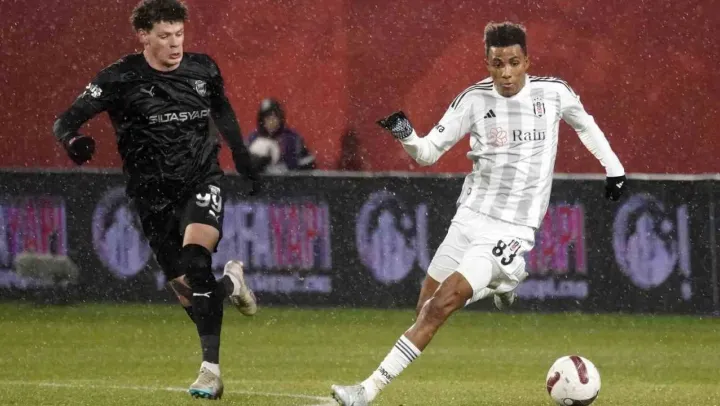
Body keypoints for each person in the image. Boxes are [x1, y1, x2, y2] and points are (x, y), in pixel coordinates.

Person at [331, 21, 627, 405]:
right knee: (424, 308)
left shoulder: (553, 93)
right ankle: (503, 281)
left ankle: (365, 391)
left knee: (441, 306)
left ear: (527, 62)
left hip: (511, 229)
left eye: (514, 63)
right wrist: (407, 135)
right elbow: (428, 153)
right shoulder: (473, 101)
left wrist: (614, 169)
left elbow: (586, 126)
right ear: (487, 64)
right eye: (497, 64)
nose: (506, 73)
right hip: (470, 217)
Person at [51, 0, 261, 399]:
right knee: (190, 292)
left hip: (201, 179)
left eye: (179, 34)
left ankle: (210, 372)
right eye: (164, 36)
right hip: (151, 195)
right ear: (143, 36)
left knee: (197, 262)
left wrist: (242, 156)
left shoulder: (203, 69)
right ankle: (231, 284)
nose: (175, 43)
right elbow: (65, 120)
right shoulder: (119, 77)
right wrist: (72, 140)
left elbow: (223, 110)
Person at [247, 98, 316, 173]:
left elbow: (307, 167)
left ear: (280, 119)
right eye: (268, 117)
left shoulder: (291, 138)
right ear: (261, 120)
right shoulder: (253, 139)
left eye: (275, 117)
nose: (271, 121)